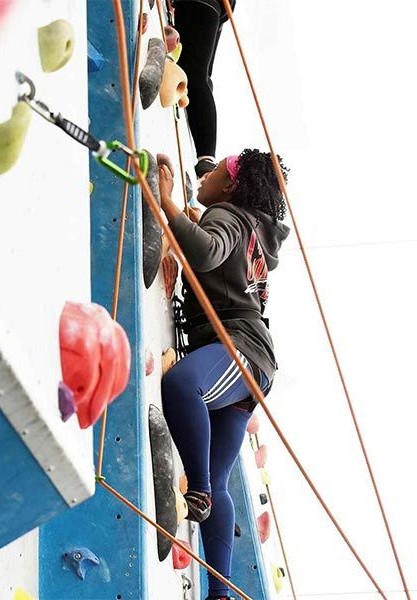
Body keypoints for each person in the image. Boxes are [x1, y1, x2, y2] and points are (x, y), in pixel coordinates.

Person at [157, 149, 290, 600]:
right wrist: (194, 217)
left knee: (181, 385)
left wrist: (166, 201)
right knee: (220, 474)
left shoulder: (228, 215)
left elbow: (208, 251)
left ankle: (199, 491)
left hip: (237, 350)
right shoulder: (252, 230)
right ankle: (220, 594)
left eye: (214, 172)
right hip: (250, 365)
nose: (207, 175)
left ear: (231, 187)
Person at [172, 0, 237, 178]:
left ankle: (206, 158)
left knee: (194, 76)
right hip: (215, 8)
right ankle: (206, 157)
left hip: (205, 4)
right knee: (199, 76)